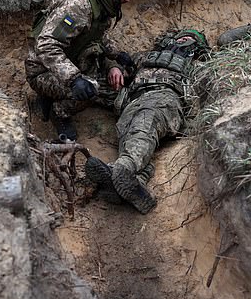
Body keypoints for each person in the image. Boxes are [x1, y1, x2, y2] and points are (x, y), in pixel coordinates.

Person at [84, 28, 211, 214]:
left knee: (145, 122)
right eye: (181, 36)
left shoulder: (198, 65)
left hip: (166, 98)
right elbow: (117, 63)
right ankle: (135, 183)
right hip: (133, 100)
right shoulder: (145, 57)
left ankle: (122, 167)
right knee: (129, 130)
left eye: (191, 38)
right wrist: (115, 68)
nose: (184, 39)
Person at [25, 0, 144, 140]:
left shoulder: (103, 6)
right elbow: (47, 45)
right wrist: (74, 79)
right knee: (91, 90)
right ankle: (59, 112)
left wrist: (117, 56)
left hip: (71, 61)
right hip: (42, 70)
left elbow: (98, 36)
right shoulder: (77, 6)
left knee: (116, 83)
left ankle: (54, 96)